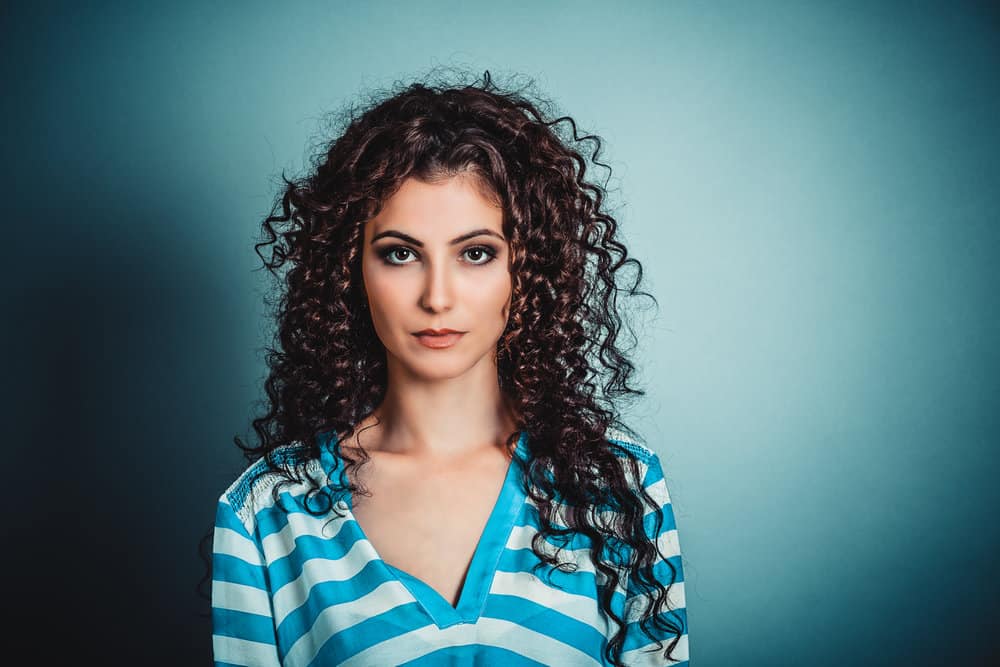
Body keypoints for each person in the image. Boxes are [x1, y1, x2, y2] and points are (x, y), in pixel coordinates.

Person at [210, 69, 689, 666]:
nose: (438, 296)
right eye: (401, 254)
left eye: (476, 253)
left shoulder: (613, 483)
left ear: (527, 268)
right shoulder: (268, 511)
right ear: (350, 270)